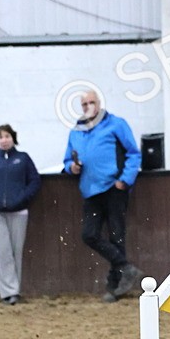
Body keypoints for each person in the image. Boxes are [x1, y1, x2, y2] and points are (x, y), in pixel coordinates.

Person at [63, 91, 144, 302]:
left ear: (99, 103)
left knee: (117, 236)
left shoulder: (116, 124)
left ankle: (114, 287)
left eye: (92, 102)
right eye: (84, 104)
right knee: (89, 234)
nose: (88, 106)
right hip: (90, 190)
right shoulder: (76, 132)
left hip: (114, 188)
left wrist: (125, 180)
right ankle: (126, 268)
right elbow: (67, 161)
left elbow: (133, 153)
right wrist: (72, 167)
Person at [0, 124, 41, 305]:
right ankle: (9, 292)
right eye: (0, 137)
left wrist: (23, 198)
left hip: (19, 211)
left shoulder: (23, 158)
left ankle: (14, 291)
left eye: (7, 136)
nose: (4, 140)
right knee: (1, 252)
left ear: (13, 138)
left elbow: (34, 181)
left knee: (16, 251)